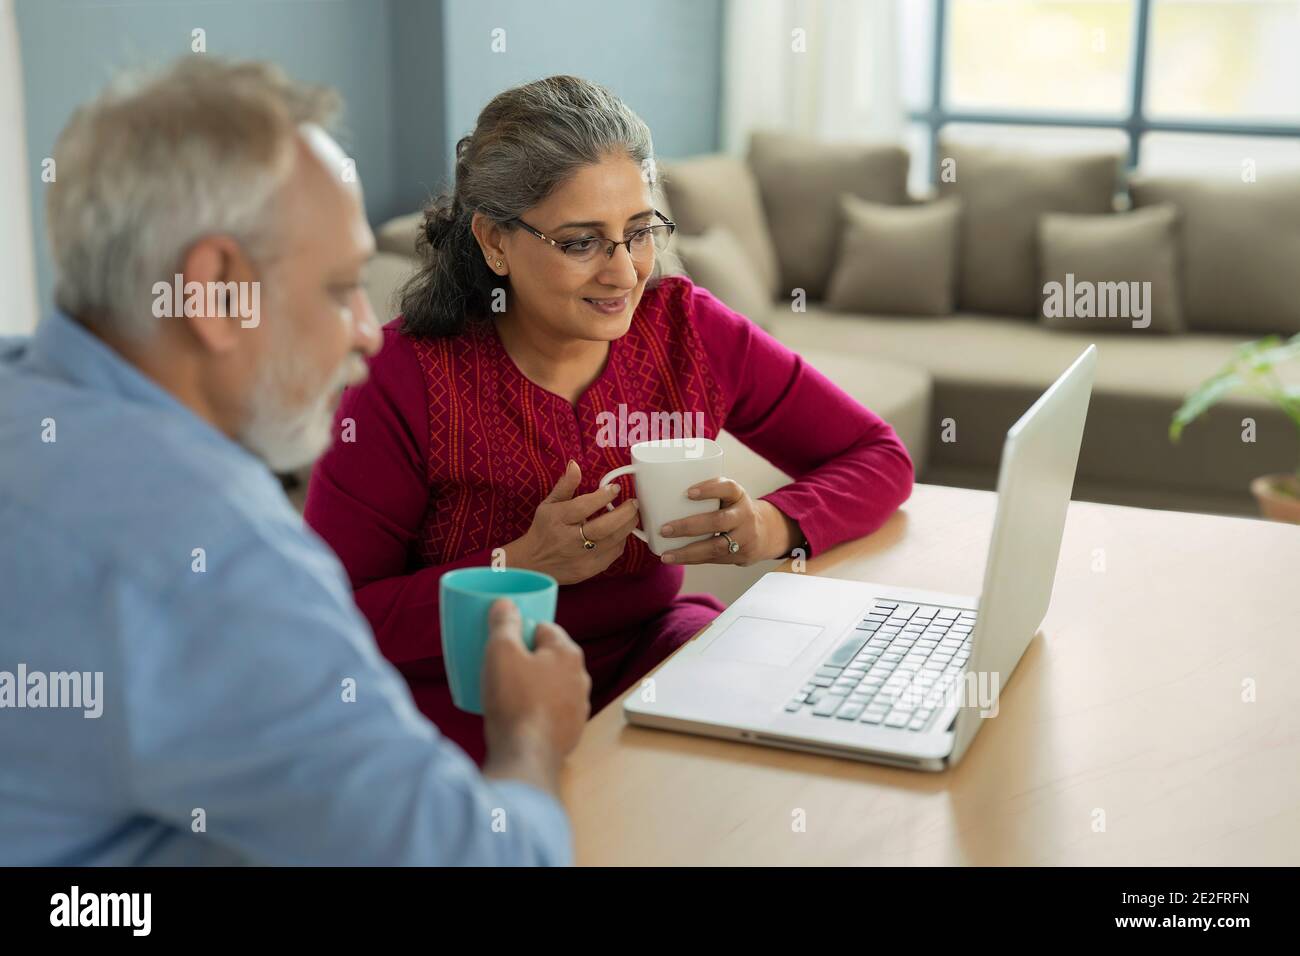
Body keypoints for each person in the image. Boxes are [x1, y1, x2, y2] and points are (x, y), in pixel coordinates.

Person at [0, 57, 589, 865]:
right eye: (342, 286)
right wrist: (530, 733)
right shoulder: (212, 554)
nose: (367, 331)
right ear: (214, 292)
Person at [304, 75, 915, 764]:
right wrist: (520, 564)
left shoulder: (689, 329)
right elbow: (326, 619)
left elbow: (877, 455)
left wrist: (769, 526)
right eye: (581, 242)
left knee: (781, 749)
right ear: (494, 242)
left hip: (649, 659)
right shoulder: (402, 378)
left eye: (639, 231)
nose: (624, 273)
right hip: (470, 697)